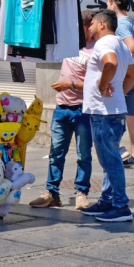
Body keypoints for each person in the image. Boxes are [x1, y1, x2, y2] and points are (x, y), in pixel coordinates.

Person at [79, 9, 134, 223]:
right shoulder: (121, 43)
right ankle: (107, 200)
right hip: (113, 111)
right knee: (109, 159)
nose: (90, 27)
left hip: (103, 113)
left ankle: (121, 206)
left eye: (93, 23)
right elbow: (132, 73)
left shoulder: (104, 44)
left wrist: (102, 86)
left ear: (102, 24)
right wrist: (121, 91)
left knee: (111, 161)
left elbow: (110, 63)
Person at [31, 11, 94, 210]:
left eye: (79, 27)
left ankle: (81, 192)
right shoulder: (68, 43)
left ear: (88, 27)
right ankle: (51, 193)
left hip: (83, 110)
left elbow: (97, 84)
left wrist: (70, 84)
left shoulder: (97, 50)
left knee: (84, 154)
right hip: (61, 108)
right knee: (55, 153)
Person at [107, 0, 134, 168]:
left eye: (108, 3)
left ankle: (121, 149)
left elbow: (132, 46)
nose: (107, 8)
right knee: (130, 116)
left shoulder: (120, 23)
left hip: (126, 77)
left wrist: (122, 67)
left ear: (113, 4)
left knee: (111, 114)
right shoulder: (130, 22)